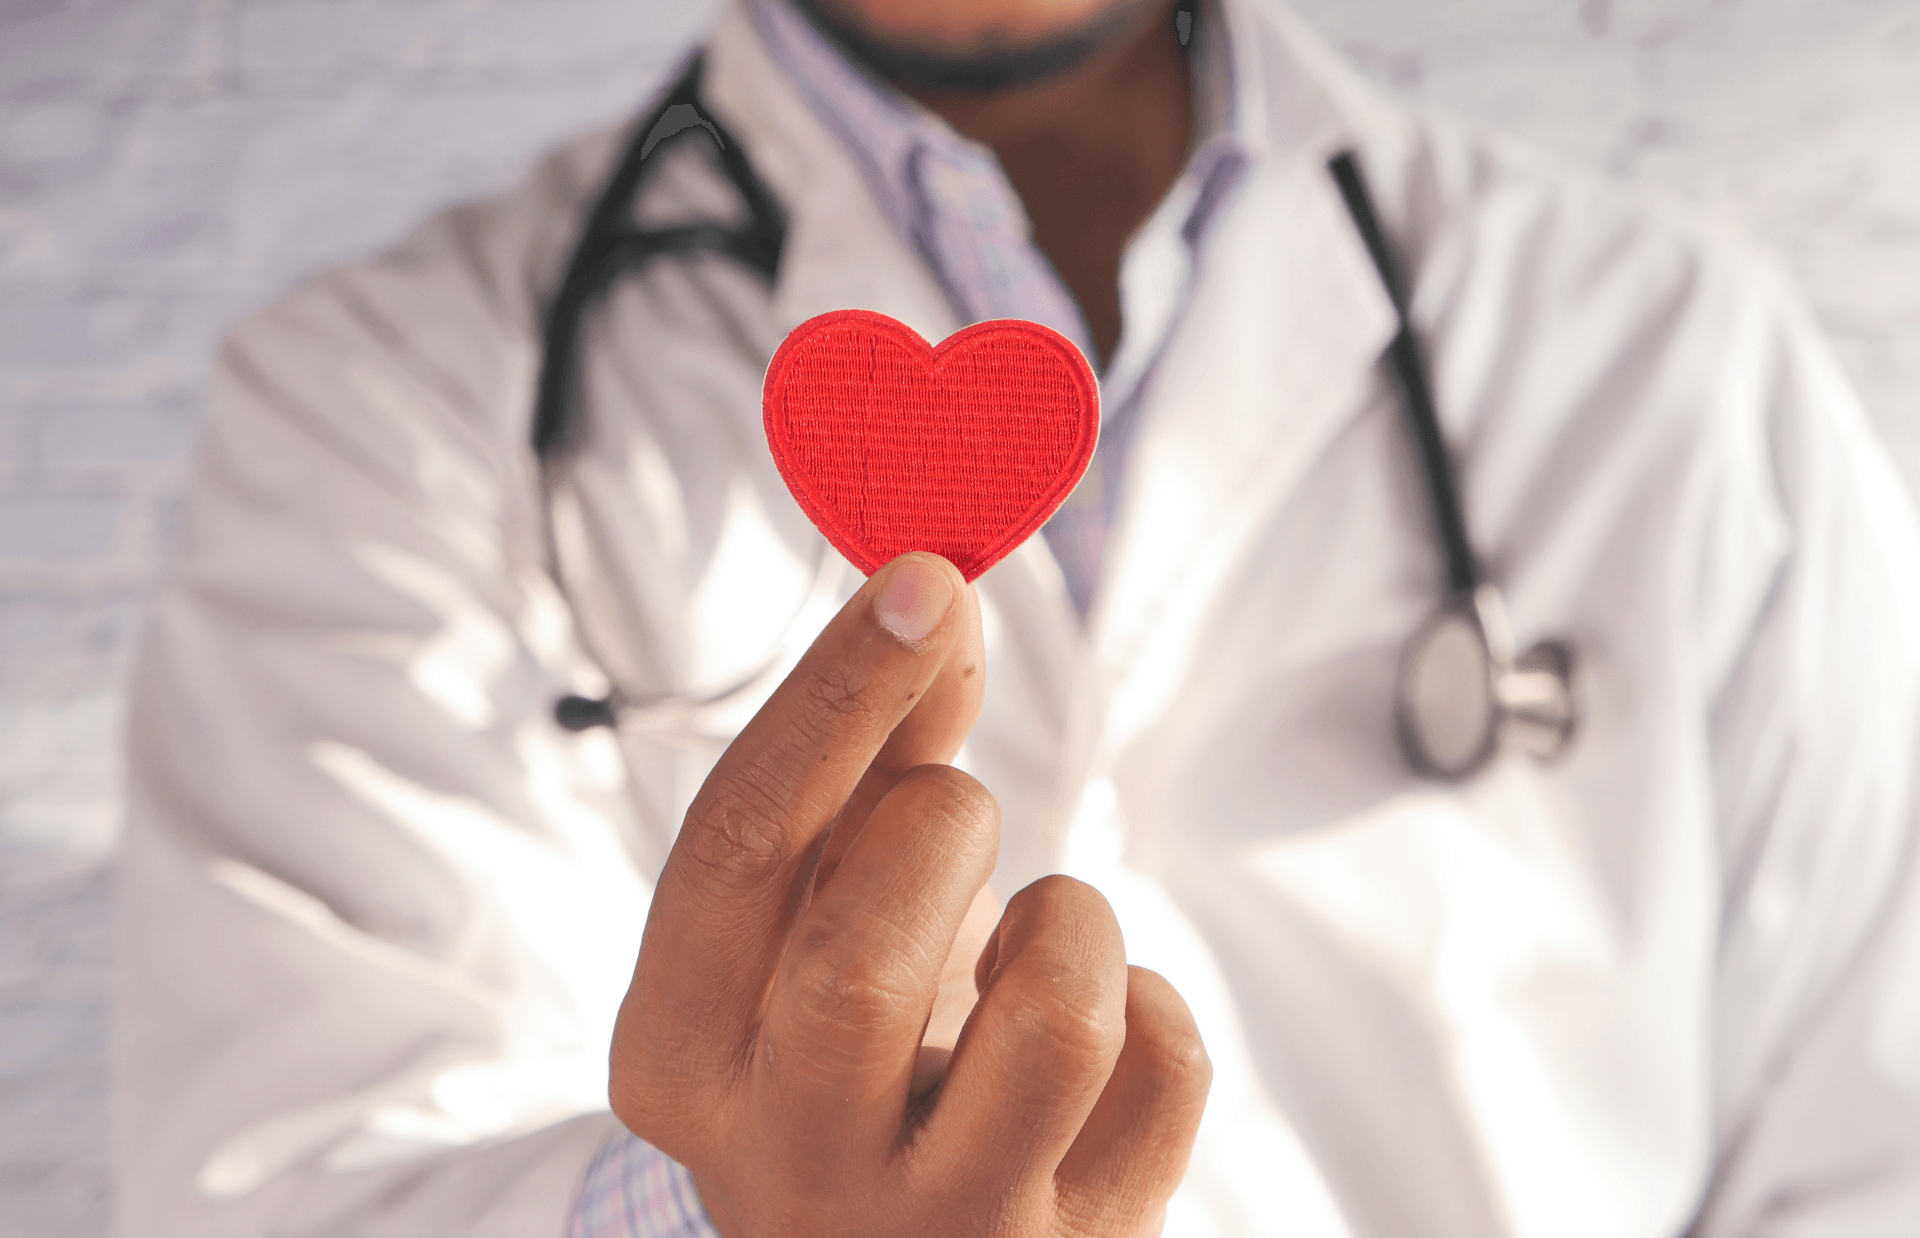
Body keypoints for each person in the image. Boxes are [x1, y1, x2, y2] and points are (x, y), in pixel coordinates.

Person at [114, 0, 1920, 1233]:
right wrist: (692, 1213)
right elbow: (290, 1183)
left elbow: (1878, 1148)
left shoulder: (1671, 353)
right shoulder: (377, 403)